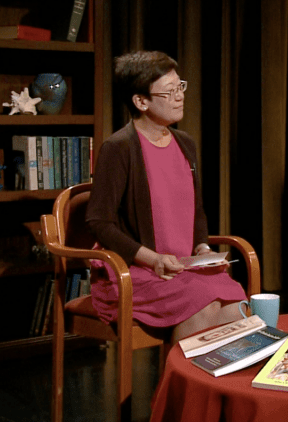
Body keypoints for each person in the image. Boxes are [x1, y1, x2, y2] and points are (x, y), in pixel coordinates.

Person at [86, 50, 246, 343]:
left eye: (180, 87)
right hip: (135, 271)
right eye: (169, 91)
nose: (179, 97)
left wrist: (202, 249)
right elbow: (99, 221)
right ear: (141, 101)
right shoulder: (119, 148)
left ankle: (217, 388)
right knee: (203, 302)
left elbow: (195, 210)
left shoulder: (186, 143)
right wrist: (153, 259)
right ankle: (180, 388)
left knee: (234, 303)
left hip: (182, 268)